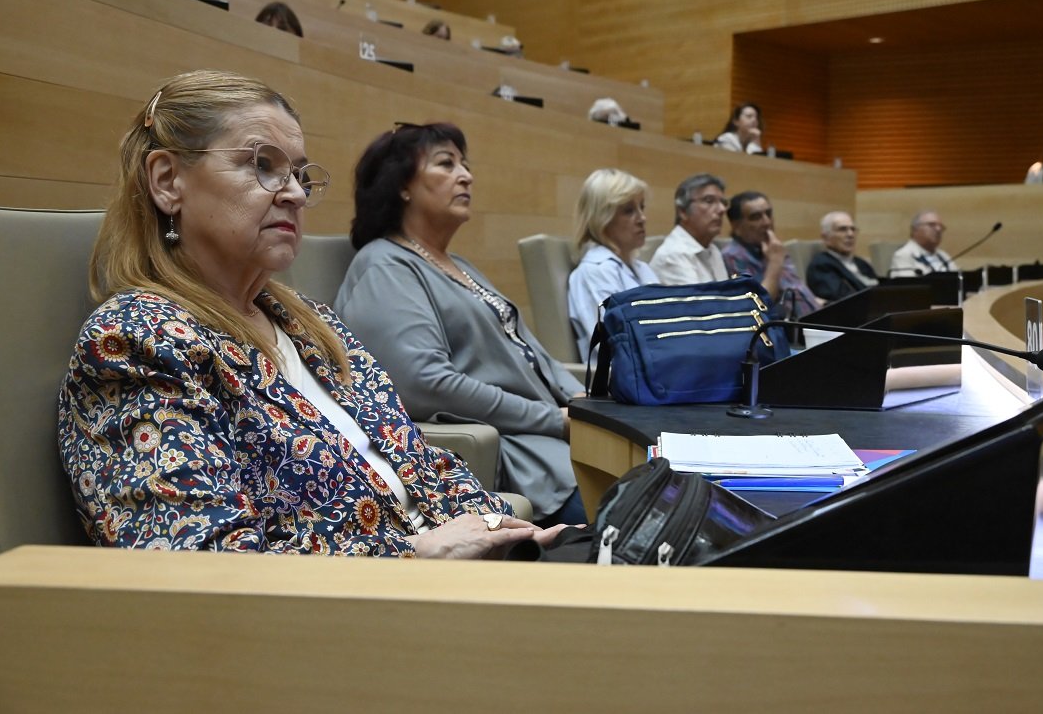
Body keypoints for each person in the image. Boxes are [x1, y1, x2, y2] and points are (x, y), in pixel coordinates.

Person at [58, 70, 566, 559]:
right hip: (355, 608)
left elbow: (415, 456)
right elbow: (200, 563)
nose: (296, 194)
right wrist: (418, 556)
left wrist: (496, 529)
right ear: (168, 181)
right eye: (262, 165)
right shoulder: (137, 340)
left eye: (300, 174)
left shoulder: (309, 321)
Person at [334, 122, 587, 527]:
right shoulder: (383, 265)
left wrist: (582, 399)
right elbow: (425, 383)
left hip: (548, 435)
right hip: (516, 450)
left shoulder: (460, 265)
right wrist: (554, 420)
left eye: (465, 164)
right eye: (446, 164)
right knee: (642, 507)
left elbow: (530, 348)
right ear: (402, 185)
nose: (466, 175)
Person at [568, 169, 660, 360]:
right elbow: (617, 347)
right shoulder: (594, 271)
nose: (642, 218)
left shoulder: (643, 268)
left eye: (641, 207)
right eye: (628, 210)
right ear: (602, 218)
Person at [723, 191, 819, 319]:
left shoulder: (773, 247)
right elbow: (758, 306)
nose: (767, 222)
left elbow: (796, 289)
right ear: (736, 226)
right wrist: (775, 263)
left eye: (768, 214)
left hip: (816, 319)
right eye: (756, 217)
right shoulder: (733, 256)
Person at [648, 173, 731, 285]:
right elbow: (701, 298)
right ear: (682, 212)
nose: (722, 209)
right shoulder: (673, 255)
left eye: (723, 202)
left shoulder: (713, 250)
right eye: (709, 201)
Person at [806, 211, 879, 301]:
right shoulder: (821, 266)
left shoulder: (862, 263)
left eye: (853, 229)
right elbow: (842, 300)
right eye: (842, 229)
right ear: (826, 237)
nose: (850, 234)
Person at [890, 210, 957, 275]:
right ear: (915, 229)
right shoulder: (904, 255)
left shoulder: (944, 256)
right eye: (931, 225)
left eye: (941, 227)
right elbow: (906, 282)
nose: (938, 229)